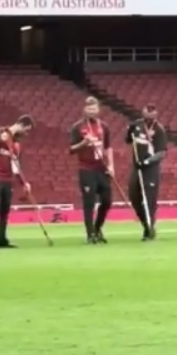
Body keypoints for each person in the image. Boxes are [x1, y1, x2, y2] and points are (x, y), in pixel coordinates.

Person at [0, 114, 34, 250]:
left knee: (5, 210)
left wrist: (24, 183)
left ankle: (1, 239)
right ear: (21, 125)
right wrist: (0, 142)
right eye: (26, 131)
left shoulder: (16, 145)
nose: (26, 134)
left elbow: (16, 165)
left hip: (8, 179)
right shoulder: (1, 133)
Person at [69, 96, 114, 244]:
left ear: (98, 110)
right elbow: (71, 149)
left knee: (107, 200)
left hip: (101, 168)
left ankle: (97, 227)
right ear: (84, 110)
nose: (92, 111)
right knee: (89, 202)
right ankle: (90, 234)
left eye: (94, 108)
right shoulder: (78, 127)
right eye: (89, 109)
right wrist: (83, 143)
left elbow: (108, 147)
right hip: (86, 169)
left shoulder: (104, 126)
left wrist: (111, 165)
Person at [125, 104, 167, 241]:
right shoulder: (137, 125)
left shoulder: (159, 129)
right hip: (137, 167)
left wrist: (148, 162)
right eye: (146, 116)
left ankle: (149, 229)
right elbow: (128, 140)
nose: (148, 119)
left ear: (156, 115)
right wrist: (128, 132)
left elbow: (161, 152)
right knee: (134, 197)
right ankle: (145, 223)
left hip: (150, 169)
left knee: (148, 200)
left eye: (151, 116)